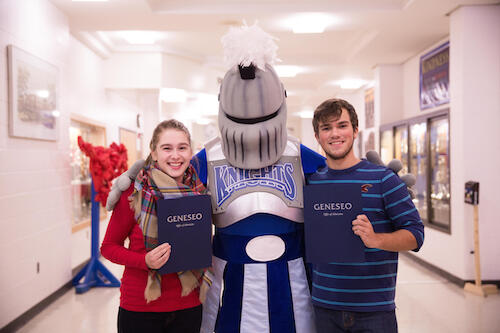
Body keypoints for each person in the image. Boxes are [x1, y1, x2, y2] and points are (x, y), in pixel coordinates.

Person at [308, 98, 425, 333]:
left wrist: (376, 239)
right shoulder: (311, 182)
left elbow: (416, 235)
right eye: (326, 128)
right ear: (317, 136)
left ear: (355, 130)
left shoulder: (383, 179)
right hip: (324, 308)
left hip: (374, 311)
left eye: (342, 125)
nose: (335, 134)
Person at [100, 119, 206, 333]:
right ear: (154, 153)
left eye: (182, 148)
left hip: (188, 304)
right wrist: (144, 260)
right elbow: (108, 247)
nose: (175, 156)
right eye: (167, 148)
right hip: (141, 305)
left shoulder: (199, 191)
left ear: (190, 152)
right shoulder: (134, 193)